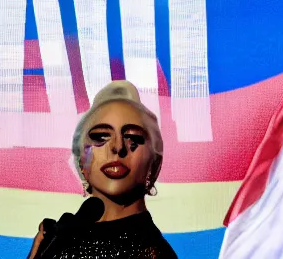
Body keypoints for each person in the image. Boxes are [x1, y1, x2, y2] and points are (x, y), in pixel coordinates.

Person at [28, 80, 178, 258]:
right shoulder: (58, 236)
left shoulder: (153, 252)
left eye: (133, 138)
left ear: (154, 164)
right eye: (101, 137)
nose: (117, 147)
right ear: (81, 161)